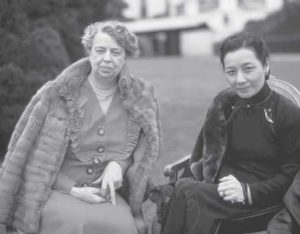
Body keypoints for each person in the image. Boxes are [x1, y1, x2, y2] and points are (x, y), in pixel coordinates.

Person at [0, 20, 161, 234]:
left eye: (116, 52)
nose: (107, 58)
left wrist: (118, 165)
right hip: (58, 189)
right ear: (89, 52)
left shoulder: (141, 98)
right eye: (100, 50)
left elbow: (142, 151)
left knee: (123, 227)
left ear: (125, 55)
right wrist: (73, 190)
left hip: (106, 195)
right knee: (73, 223)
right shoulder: (56, 95)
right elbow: (33, 161)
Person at [161, 32, 300, 234]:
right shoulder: (224, 104)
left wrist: (247, 191)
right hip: (220, 190)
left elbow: (290, 176)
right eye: (231, 72)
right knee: (185, 188)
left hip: (262, 200)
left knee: (189, 191)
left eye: (248, 69)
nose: (239, 79)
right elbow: (202, 154)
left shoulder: (288, 114)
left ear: (266, 65)